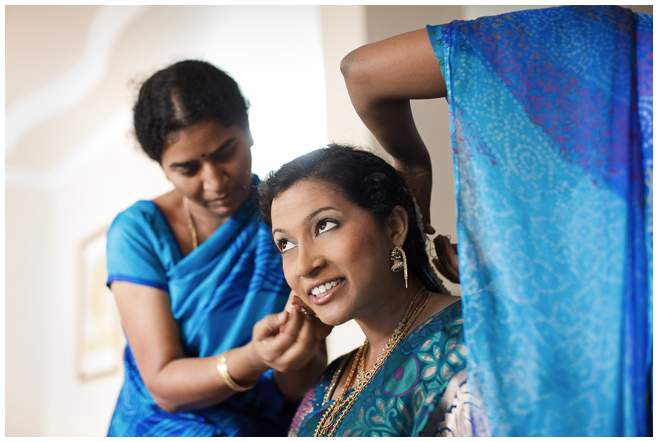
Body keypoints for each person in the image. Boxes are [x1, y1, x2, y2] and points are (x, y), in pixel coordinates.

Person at [341, 5, 652, 437]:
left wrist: (414, 164)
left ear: (395, 227)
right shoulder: (609, 44)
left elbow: (362, 71)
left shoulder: (592, 38)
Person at [105, 60, 328, 437]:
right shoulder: (138, 232)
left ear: (248, 129)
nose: (214, 181)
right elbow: (164, 385)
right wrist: (256, 357)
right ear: (162, 166)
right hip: (162, 426)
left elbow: (300, 387)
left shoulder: (287, 217)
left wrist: (296, 345)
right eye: (187, 169)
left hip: (265, 424)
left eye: (227, 151)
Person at [258, 144, 478, 437]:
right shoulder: (332, 381)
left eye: (324, 225)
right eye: (285, 244)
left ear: (394, 227)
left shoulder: (473, 340)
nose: (303, 266)